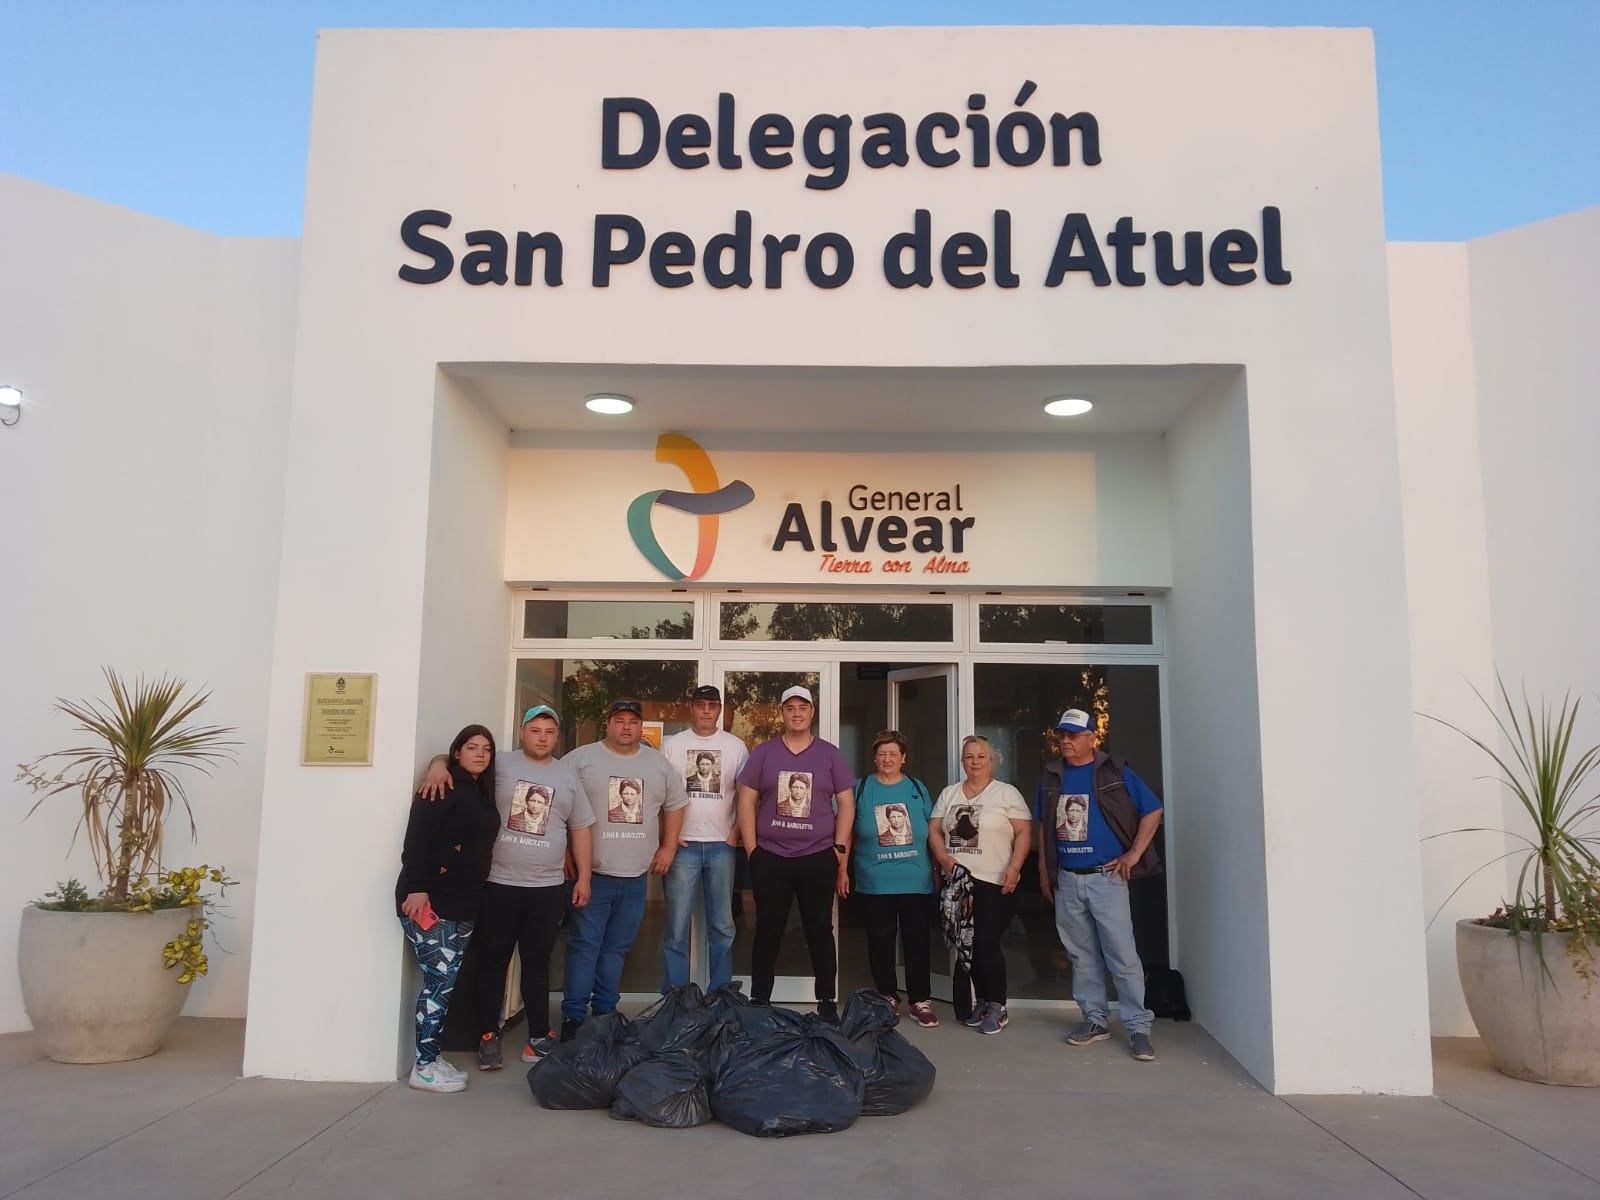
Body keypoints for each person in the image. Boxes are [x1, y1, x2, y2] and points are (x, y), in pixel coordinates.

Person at [1036, 708, 1164, 1063]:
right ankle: (1094, 1020)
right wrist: (1044, 871)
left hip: (1107, 879)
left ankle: (1138, 1027)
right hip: (1067, 878)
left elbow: (1153, 810)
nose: (1065, 741)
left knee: (1121, 954)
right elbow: (1043, 826)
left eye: (1073, 735)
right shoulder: (1051, 775)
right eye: (1062, 735)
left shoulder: (1114, 771)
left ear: (1092, 738)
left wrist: (1134, 854)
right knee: (1081, 955)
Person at [472, 706, 594, 1070]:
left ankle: (538, 1037)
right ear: (522, 732)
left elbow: (581, 827)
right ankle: (487, 1036)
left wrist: (584, 877)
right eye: (535, 730)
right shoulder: (500, 764)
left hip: (547, 887)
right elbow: (457, 764)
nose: (542, 737)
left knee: (537, 964)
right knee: (493, 961)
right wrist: (435, 766)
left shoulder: (567, 774)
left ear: (557, 737)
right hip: (499, 883)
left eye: (549, 731)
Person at [559, 698, 688, 1038]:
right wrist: (564, 851)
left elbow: (676, 804)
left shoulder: (657, 764)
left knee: (616, 950)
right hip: (592, 877)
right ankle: (573, 1018)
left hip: (634, 878)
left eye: (633, 721)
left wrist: (668, 846)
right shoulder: (580, 759)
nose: (626, 727)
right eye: (619, 720)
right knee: (585, 947)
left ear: (641, 726)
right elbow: (556, 802)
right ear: (608, 723)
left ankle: (605, 1014)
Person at [736, 685, 855, 1022]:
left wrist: (839, 849)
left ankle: (827, 1002)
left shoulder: (830, 754)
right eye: (790, 708)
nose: (797, 713)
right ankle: (760, 999)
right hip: (771, 857)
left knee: (819, 929)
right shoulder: (764, 753)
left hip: (817, 856)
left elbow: (846, 803)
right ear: (782, 713)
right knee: (768, 928)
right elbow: (746, 800)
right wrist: (753, 850)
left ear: (812, 712)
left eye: (803, 707)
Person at [395, 724, 500, 1093]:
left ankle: (432, 1055)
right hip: (430, 901)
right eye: (472, 747)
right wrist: (417, 887)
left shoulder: (481, 791)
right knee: (438, 984)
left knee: (447, 983)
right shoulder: (442, 786)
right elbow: (417, 838)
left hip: (464, 902)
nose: (480, 754)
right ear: (457, 752)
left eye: (486, 748)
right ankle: (423, 1068)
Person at [929, 734, 1033, 1036]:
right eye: (969, 756)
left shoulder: (1006, 793)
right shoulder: (949, 793)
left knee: (986, 942)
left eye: (980, 756)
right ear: (962, 761)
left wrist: (1015, 867)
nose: (974, 761)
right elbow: (934, 830)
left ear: (991, 760)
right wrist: (942, 858)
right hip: (959, 883)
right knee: (968, 945)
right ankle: (983, 1002)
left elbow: (1024, 833)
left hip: (995, 881)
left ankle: (998, 1005)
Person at [659, 684, 749, 992]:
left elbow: (747, 796)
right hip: (682, 845)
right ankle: (676, 996)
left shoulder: (735, 747)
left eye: (713, 705)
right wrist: (667, 837)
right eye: (701, 705)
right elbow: (658, 794)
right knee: (676, 926)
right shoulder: (673, 745)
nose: (707, 711)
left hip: (722, 846)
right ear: (692, 708)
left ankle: (720, 994)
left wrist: (735, 834)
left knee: (723, 926)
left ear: (720, 709)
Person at [850, 730, 939, 1028]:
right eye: (881, 754)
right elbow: (845, 831)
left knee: (917, 941)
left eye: (893, 754)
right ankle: (887, 997)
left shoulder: (916, 787)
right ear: (874, 758)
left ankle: (920, 1000)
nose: (887, 759)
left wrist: (939, 865)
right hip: (875, 881)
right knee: (880, 941)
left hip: (915, 879)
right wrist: (840, 869)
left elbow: (932, 829)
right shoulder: (861, 788)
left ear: (903, 758)